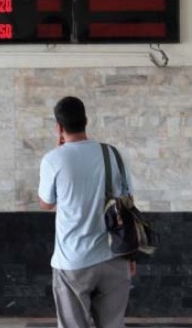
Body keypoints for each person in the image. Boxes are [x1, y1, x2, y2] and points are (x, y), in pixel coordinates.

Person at [38, 96, 136, 328]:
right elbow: (128, 202)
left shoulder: (54, 159)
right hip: (115, 256)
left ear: (59, 127)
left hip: (73, 261)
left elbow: (46, 203)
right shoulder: (114, 154)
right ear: (86, 121)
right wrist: (131, 255)